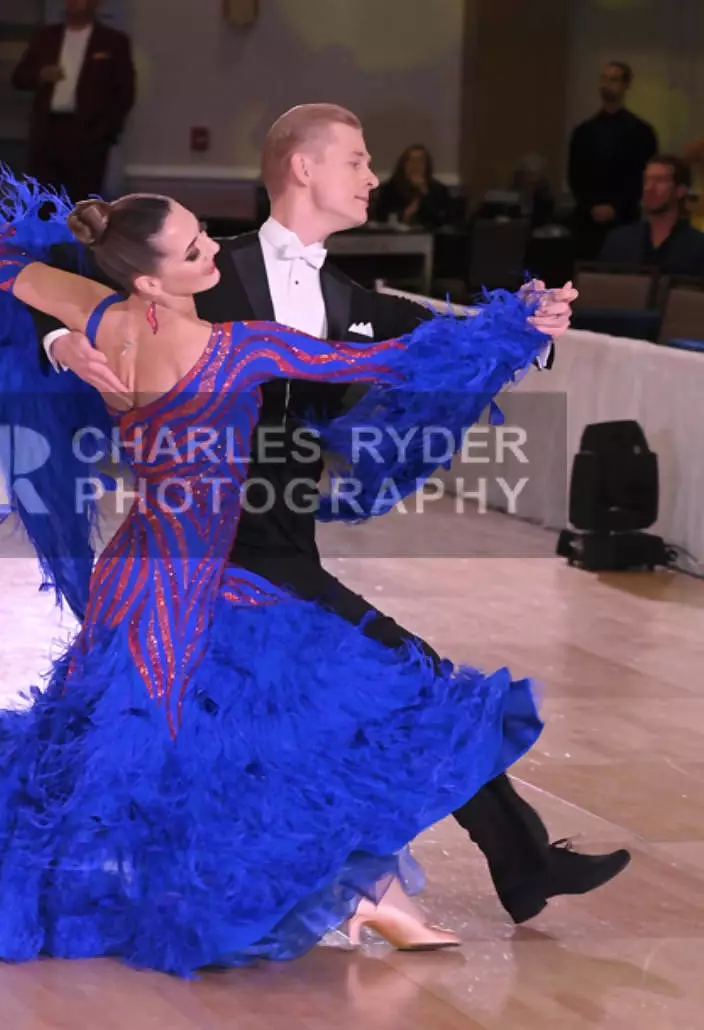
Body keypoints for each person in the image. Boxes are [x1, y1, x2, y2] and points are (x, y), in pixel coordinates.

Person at [0, 166, 564, 975]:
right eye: (193, 250)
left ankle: (362, 894)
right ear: (150, 278)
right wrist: (514, 326)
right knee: (259, 723)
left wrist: (63, 339)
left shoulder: (100, 313)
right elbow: (396, 361)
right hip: (189, 588)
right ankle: (329, 892)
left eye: (205, 234)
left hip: (138, 572)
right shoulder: (241, 348)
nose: (213, 251)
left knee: (156, 741)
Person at [35, 104, 630, 926]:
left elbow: (441, 346)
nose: (373, 175)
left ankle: (515, 863)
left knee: (370, 700)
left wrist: (528, 324)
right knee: (396, 687)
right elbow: (73, 302)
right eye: (357, 159)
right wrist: (60, 347)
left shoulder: (353, 298)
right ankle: (505, 864)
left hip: (281, 543)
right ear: (305, 169)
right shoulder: (205, 267)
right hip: (204, 551)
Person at [12, 0, 135, 201]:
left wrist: (105, 133)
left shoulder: (112, 42)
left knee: (81, 202)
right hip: (48, 132)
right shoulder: (46, 37)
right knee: (43, 199)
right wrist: (40, 75)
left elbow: (124, 93)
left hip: (87, 135)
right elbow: (19, 78)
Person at [568, 61, 658, 259]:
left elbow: (644, 176)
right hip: (587, 220)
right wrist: (590, 205)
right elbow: (575, 175)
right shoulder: (584, 132)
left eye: (614, 79)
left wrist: (617, 207)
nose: (608, 85)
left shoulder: (641, 133)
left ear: (626, 85)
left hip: (625, 219)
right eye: (604, 79)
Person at [599, 154, 704, 276]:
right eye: (646, 181)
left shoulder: (698, 248)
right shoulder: (618, 241)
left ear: (680, 190)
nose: (649, 188)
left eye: (659, 181)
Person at [374, 144, 454, 230]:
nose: (415, 166)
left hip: (428, 237)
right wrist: (403, 215)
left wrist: (425, 191)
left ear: (427, 166)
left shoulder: (438, 189)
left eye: (420, 161)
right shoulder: (390, 188)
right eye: (411, 161)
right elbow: (381, 217)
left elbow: (442, 219)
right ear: (403, 165)